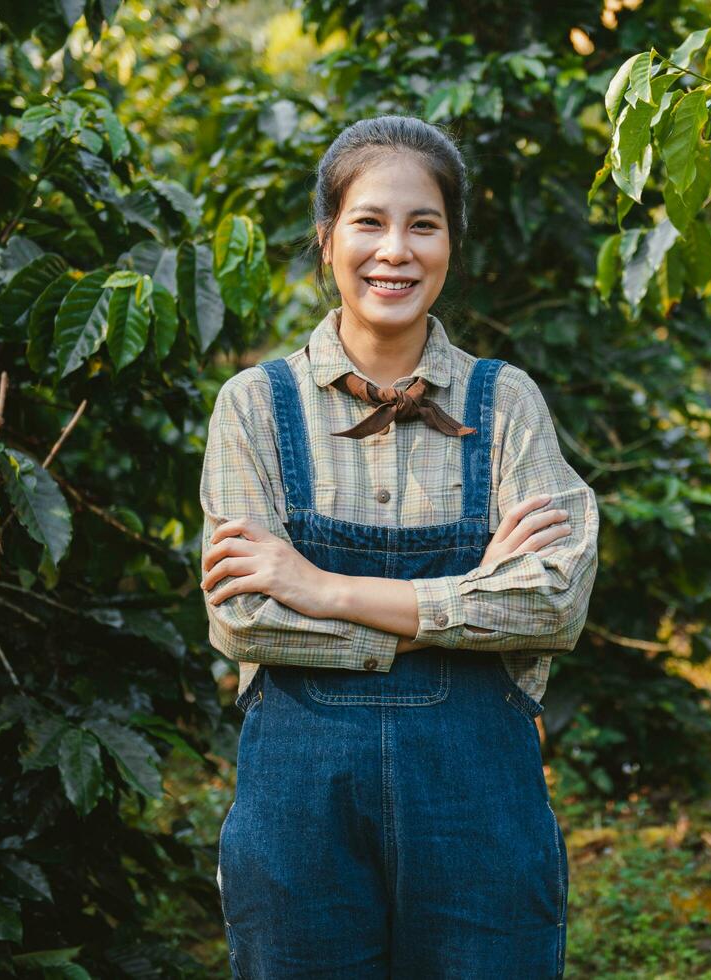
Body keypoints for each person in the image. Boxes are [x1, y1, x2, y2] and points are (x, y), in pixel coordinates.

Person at [197, 115, 598, 978]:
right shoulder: (254, 406)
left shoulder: (507, 403)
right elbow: (247, 621)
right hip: (302, 811)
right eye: (369, 222)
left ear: (451, 242)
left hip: (478, 804)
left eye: (424, 224)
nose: (395, 251)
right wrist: (473, 599)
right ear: (327, 236)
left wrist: (324, 587)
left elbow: (555, 603)